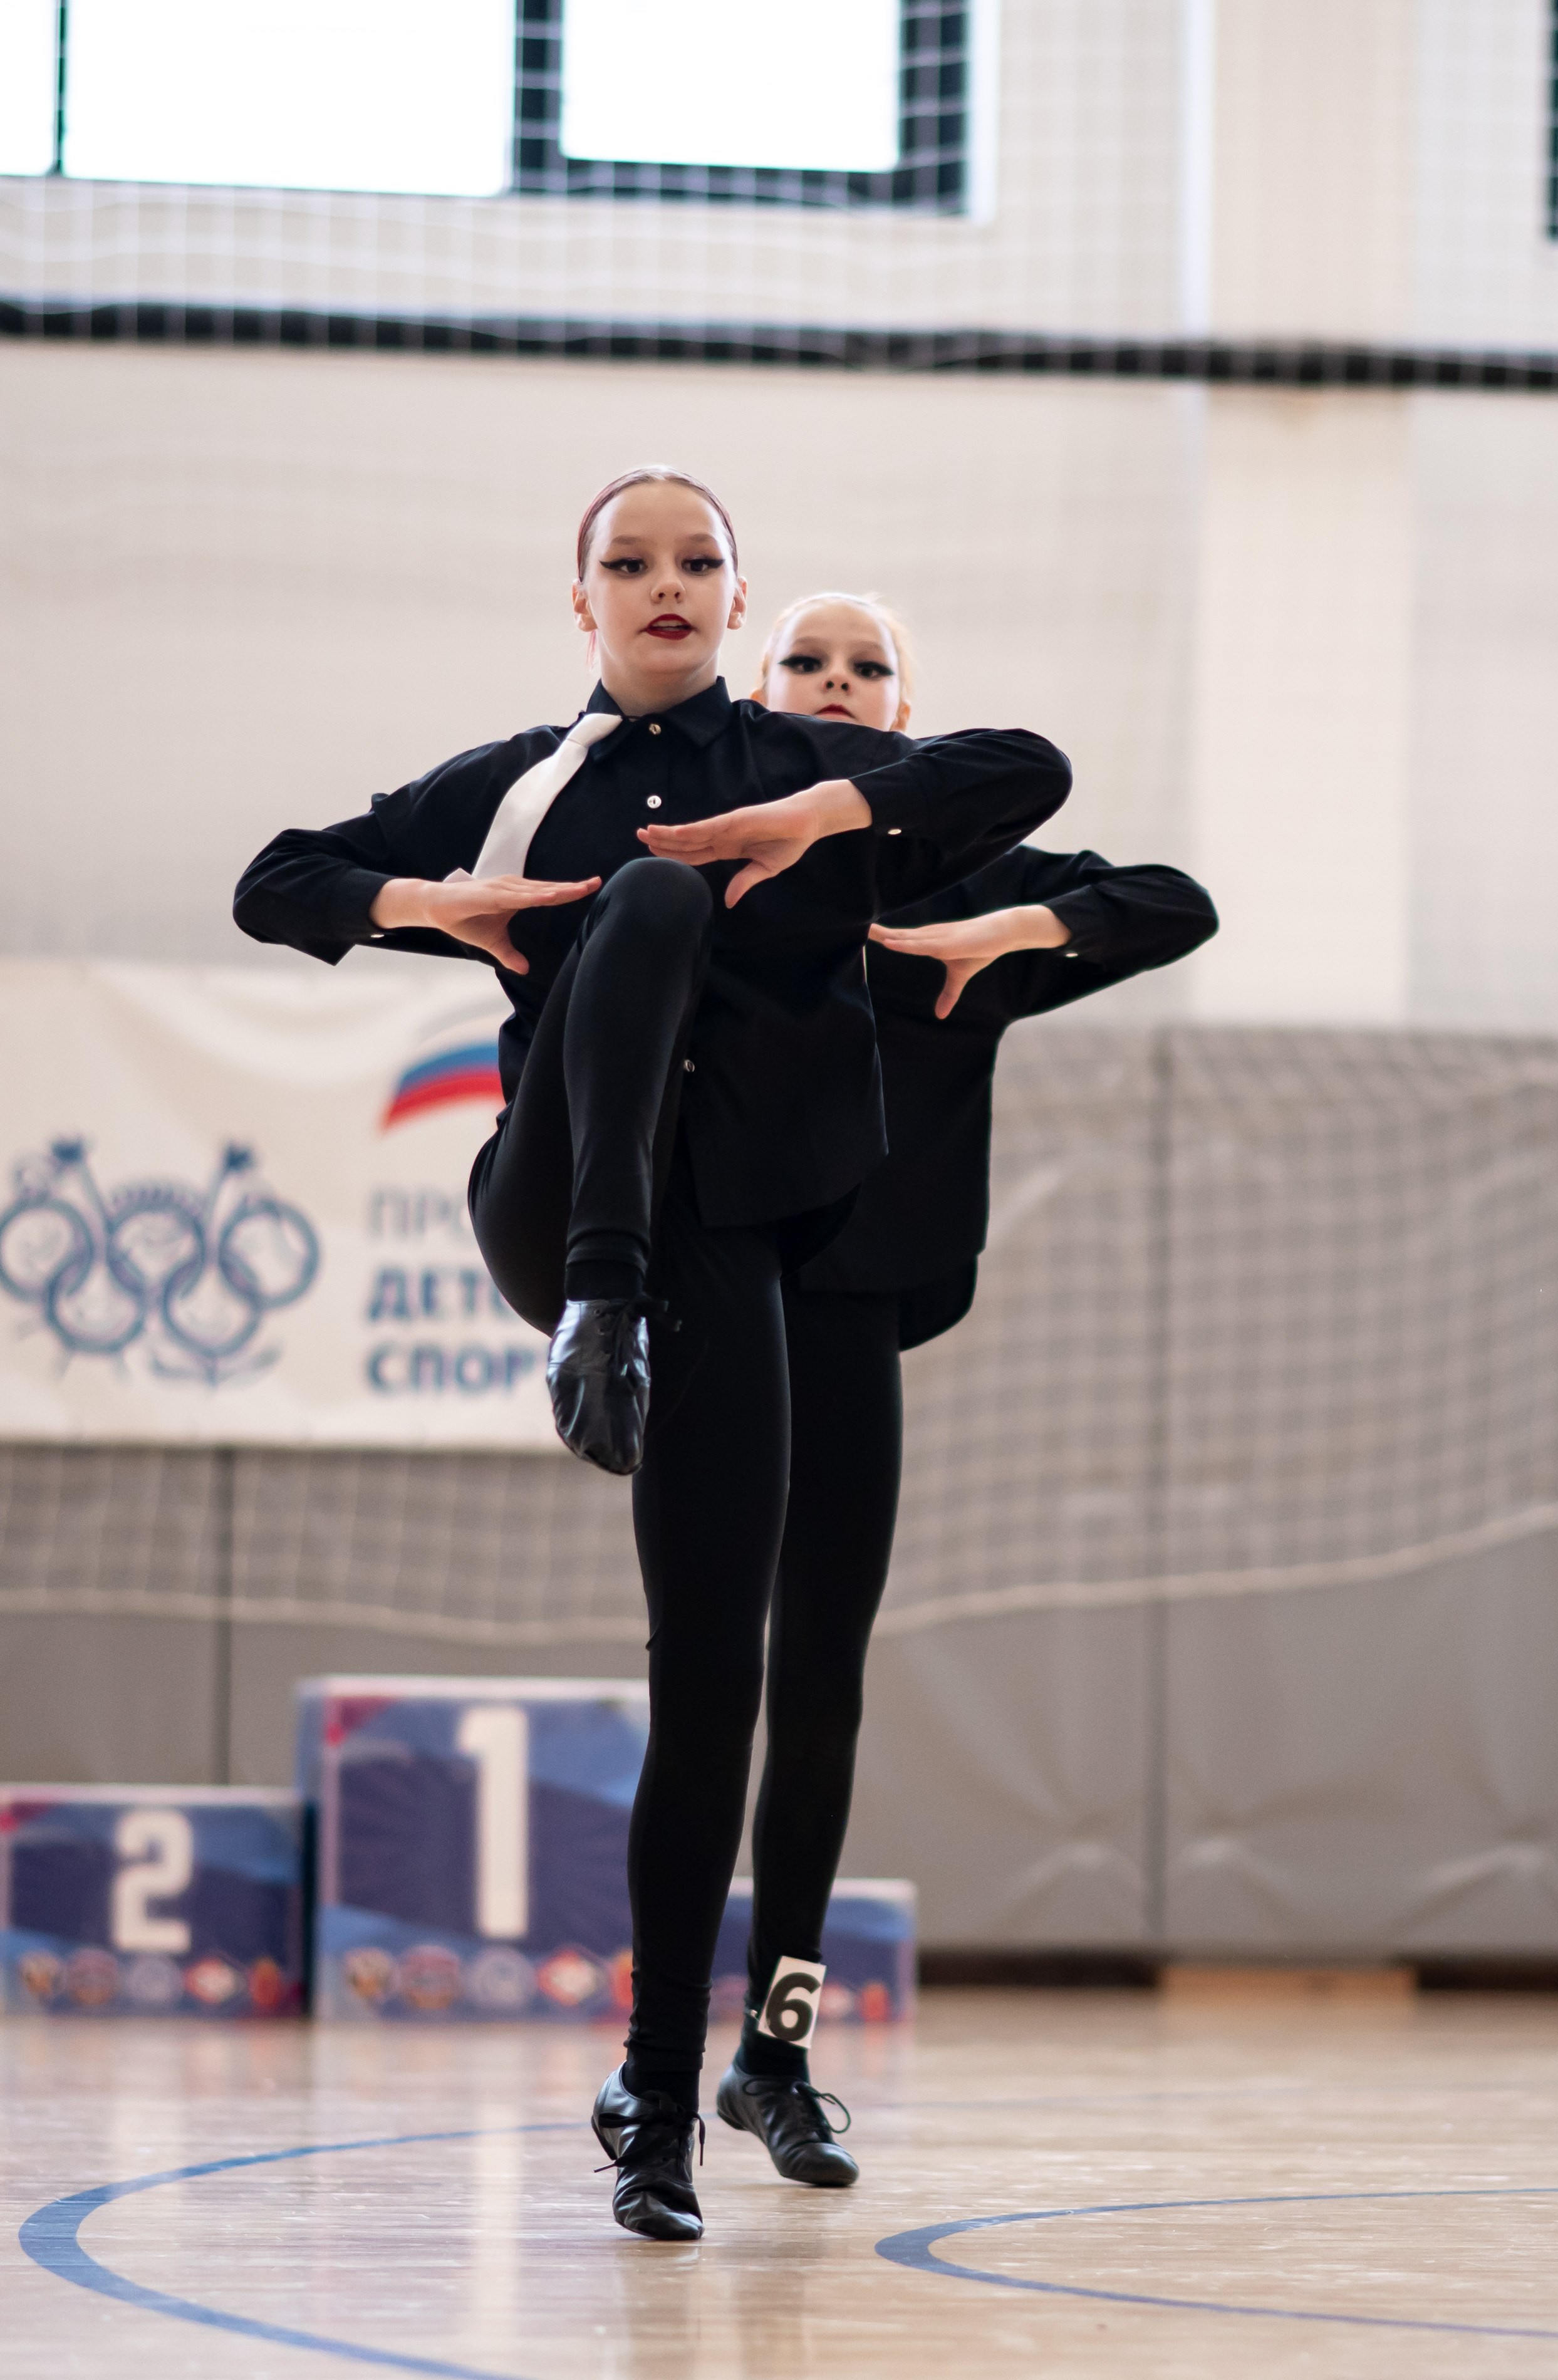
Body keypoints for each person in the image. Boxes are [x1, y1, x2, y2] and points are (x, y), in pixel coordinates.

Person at [233, 475, 1070, 2243]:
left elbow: (1027, 773)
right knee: (657, 909)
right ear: (583, 601)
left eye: (700, 562)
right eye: (633, 562)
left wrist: (823, 812)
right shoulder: (527, 776)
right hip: (560, 1217)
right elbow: (273, 880)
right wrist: (427, 906)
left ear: (735, 597)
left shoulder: (799, 765)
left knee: (721, 1674)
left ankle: (665, 2097)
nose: (667, 584)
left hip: (736, 1255)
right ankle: (598, 1305)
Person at [710, 592, 1217, 2189]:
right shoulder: (706, 853)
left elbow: (1176, 899)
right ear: (756, 681)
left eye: (872, 668)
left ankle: (772, 2054)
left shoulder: (963, 881)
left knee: (824, 1683)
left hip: (851, 1313)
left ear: (907, 709)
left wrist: (1014, 935)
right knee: (704, 1678)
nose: (840, 683)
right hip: (709, 1301)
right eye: (810, 659)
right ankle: (660, 2064)